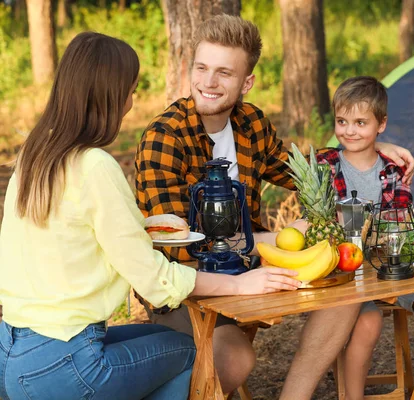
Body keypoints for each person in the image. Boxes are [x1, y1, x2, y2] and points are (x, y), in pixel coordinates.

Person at [0, 32, 301, 400]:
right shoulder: (95, 165)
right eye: (130, 90)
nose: (132, 101)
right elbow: (153, 277)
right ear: (109, 94)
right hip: (65, 361)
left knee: (171, 342)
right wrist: (241, 284)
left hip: (13, 349)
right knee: (204, 354)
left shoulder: (37, 152)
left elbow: (74, 234)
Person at [134, 15, 414, 399]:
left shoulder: (251, 123)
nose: (209, 82)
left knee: (343, 292)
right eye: (201, 68)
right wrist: (268, 241)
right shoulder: (165, 137)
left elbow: (307, 175)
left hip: (252, 266)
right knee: (234, 358)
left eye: (224, 73)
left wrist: (368, 148)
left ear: (246, 83)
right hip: (186, 283)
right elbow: (175, 245)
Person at [316, 76, 414, 399]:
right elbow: (322, 223)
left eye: (361, 122)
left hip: (390, 265)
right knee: (369, 321)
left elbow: (399, 223)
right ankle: (353, 395)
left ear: (381, 124)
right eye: (342, 121)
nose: (349, 131)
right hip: (346, 273)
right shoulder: (326, 166)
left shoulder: (392, 169)